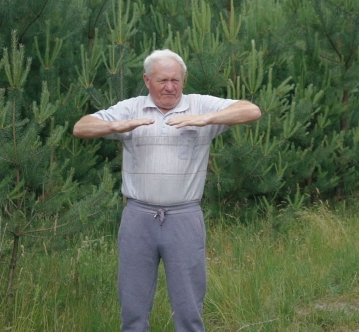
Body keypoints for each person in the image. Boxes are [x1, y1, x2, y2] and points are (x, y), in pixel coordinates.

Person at [73, 49, 261, 332]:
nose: (170, 87)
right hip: (138, 217)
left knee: (189, 308)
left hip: (184, 218)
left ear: (184, 79)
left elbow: (252, 110)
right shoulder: (131, 108)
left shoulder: (199, 105)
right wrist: (116, 125)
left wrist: (206, 120)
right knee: (133, 307)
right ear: (147, 80)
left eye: (176, 79)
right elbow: (81, 127)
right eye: (162, 80)